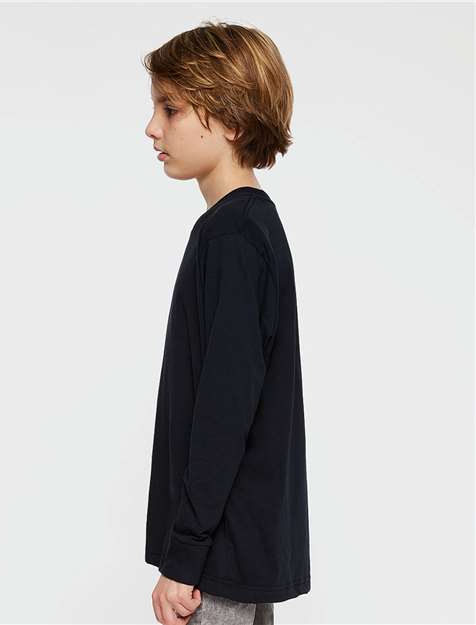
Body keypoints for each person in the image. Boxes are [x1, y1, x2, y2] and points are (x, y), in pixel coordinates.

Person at [142, 20, 311, 625]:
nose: (152, 127)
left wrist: (184, 556)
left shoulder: (233, 237)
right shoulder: (247, 228)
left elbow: (224, 410)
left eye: (171, 109)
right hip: (235, 548)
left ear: (232, 121)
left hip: (216, 559)